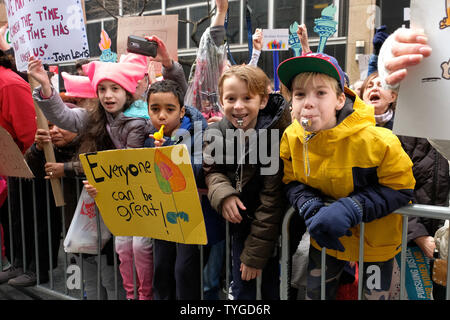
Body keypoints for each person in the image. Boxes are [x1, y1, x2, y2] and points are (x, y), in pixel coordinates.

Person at [278, 52, 416, 300]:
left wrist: (352, 208)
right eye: (299, 94)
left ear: (341, 99)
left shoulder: (379, 141)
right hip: (325, 241)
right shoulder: (291, 136)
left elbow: (401, 189)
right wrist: (308, 204)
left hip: (376, 247)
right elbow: (291, 181)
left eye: (321, 93)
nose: (308, 102)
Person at [28, 53, 151, 300]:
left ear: (127, 91)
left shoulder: (139, 121)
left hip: (136, 202)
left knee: (132, 259)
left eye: (115, 88)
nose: (107, 95)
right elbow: (64, 117)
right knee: (112, 263)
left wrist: (73, 169)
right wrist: (46, 86)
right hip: (108, 204)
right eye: (102, 89)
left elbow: (125, 162)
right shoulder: (94, 116)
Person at [203, 64, 291, 300]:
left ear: (262, 101)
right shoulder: (218, 131)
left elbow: (272, 199)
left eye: (247, 98)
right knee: (243, 292)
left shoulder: (277, 137)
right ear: (222, 101)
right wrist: (225, 194)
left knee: (270, 290)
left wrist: (254, 256)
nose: (238, 106)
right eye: (231, 98)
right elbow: (212, 170)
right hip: (240, 227)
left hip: (271, 230)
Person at [0, 31, 37, 281]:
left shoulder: (10, 83)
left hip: (19, 167)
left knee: (27, 218)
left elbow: (29, 133)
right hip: (6, 168)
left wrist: (19, 162)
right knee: (10, 221)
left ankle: (32, 266)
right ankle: (17, 262)